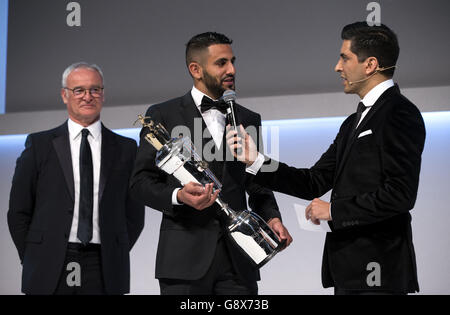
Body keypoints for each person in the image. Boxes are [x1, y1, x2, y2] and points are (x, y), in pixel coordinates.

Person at [227, 22, 426, 295]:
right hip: (348, 270)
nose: (337, 67)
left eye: (345, 57)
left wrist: (333, 210)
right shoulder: (351, 123)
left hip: (379, 270)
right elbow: (313, 181)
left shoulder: (400, 114)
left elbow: (400, 195)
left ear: (370, 65)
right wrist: (257, 161)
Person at [130, 32, 292, 295]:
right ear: (195, 69)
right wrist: (178, 196)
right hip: (184, 261)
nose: (232, 70)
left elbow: (258, 182)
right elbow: (139, 183)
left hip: (240, 261)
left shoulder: (249, 118)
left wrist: (272, 217)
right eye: (221, 63)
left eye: (232, 61)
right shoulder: (162, 114)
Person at [7, 62, 145, 295]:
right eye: (78, 90)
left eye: (94, 89)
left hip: (104, 266)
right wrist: (34, 256)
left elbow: (134, 215)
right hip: (48, 263)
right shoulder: (39, 145)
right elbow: (19, 211)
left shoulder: (126, 149)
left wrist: (114, 251)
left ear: (103, 94)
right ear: (64, 95)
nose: (87, 96)